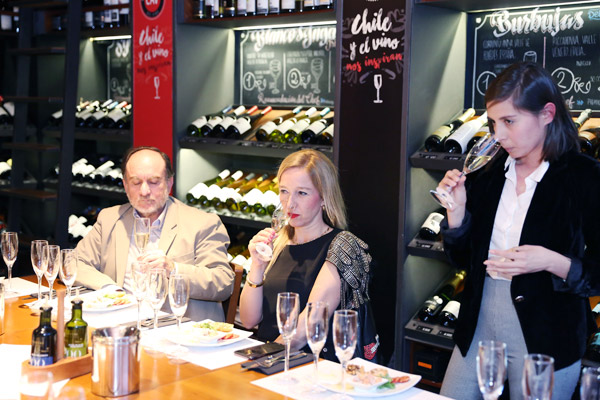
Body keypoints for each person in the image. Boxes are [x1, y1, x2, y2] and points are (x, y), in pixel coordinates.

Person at [438, 62, 600, 399]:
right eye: (493, 123)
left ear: (547, 114)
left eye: (509, 121)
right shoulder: (488, 172)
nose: (499, 135)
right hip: (478, 326)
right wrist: (456, 213)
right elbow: (461, 259)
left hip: (548, 337)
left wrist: (551, 261)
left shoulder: (584, 177)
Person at [239, 149, 376, 361]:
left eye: (302, 193)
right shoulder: (277, 242)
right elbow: (249, 320)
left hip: (311, 366)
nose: (290, 203)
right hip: (272, 358)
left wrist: (261, 360)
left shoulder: (342, 246)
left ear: (324, 197)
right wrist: (256, 266)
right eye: (284, 191)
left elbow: (307, 326)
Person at [74, 146, 235, 322]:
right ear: (125, 185)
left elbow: (223, 282)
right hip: (120, 322)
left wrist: (173, 269)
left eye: (154, 182)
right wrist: (109, 288)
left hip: (179, 328)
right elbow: (74, 262)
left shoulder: (203, 223)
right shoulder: (110, 219)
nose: (144, 191)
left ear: (169, 183)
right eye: (136, 182)